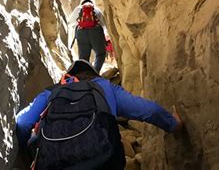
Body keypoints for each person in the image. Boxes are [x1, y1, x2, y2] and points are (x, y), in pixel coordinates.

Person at [16, 59, 183, 169]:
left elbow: (23, 122)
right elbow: (147, 110)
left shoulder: (52, 91)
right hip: (103, 160)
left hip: (55, 163)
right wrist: (173, 124)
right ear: (93, 75)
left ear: (66, 77)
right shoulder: (104, 86)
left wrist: (27, 151)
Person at [68, 0, 107, 73]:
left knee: (83, 58)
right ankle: (95, 72)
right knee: (100, 54)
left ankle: (85, 75)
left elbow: (70, 23)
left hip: (81, 33)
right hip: (96, 32)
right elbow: (104, 25)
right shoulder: (96, 9)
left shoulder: (78, 9)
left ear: (82, 3)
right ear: (93, 4)